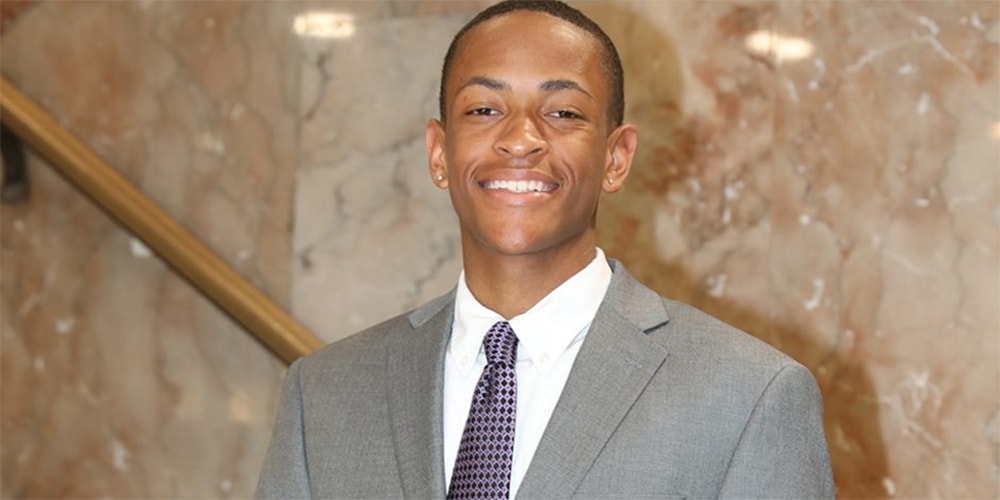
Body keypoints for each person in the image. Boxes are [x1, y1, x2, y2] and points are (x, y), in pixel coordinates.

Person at [256, 1, 835, 498]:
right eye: (485, 109)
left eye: (563, 113)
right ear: (439, 153)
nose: (521, 138)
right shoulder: (324, 394)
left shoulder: (750, 396)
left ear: (616, 159)